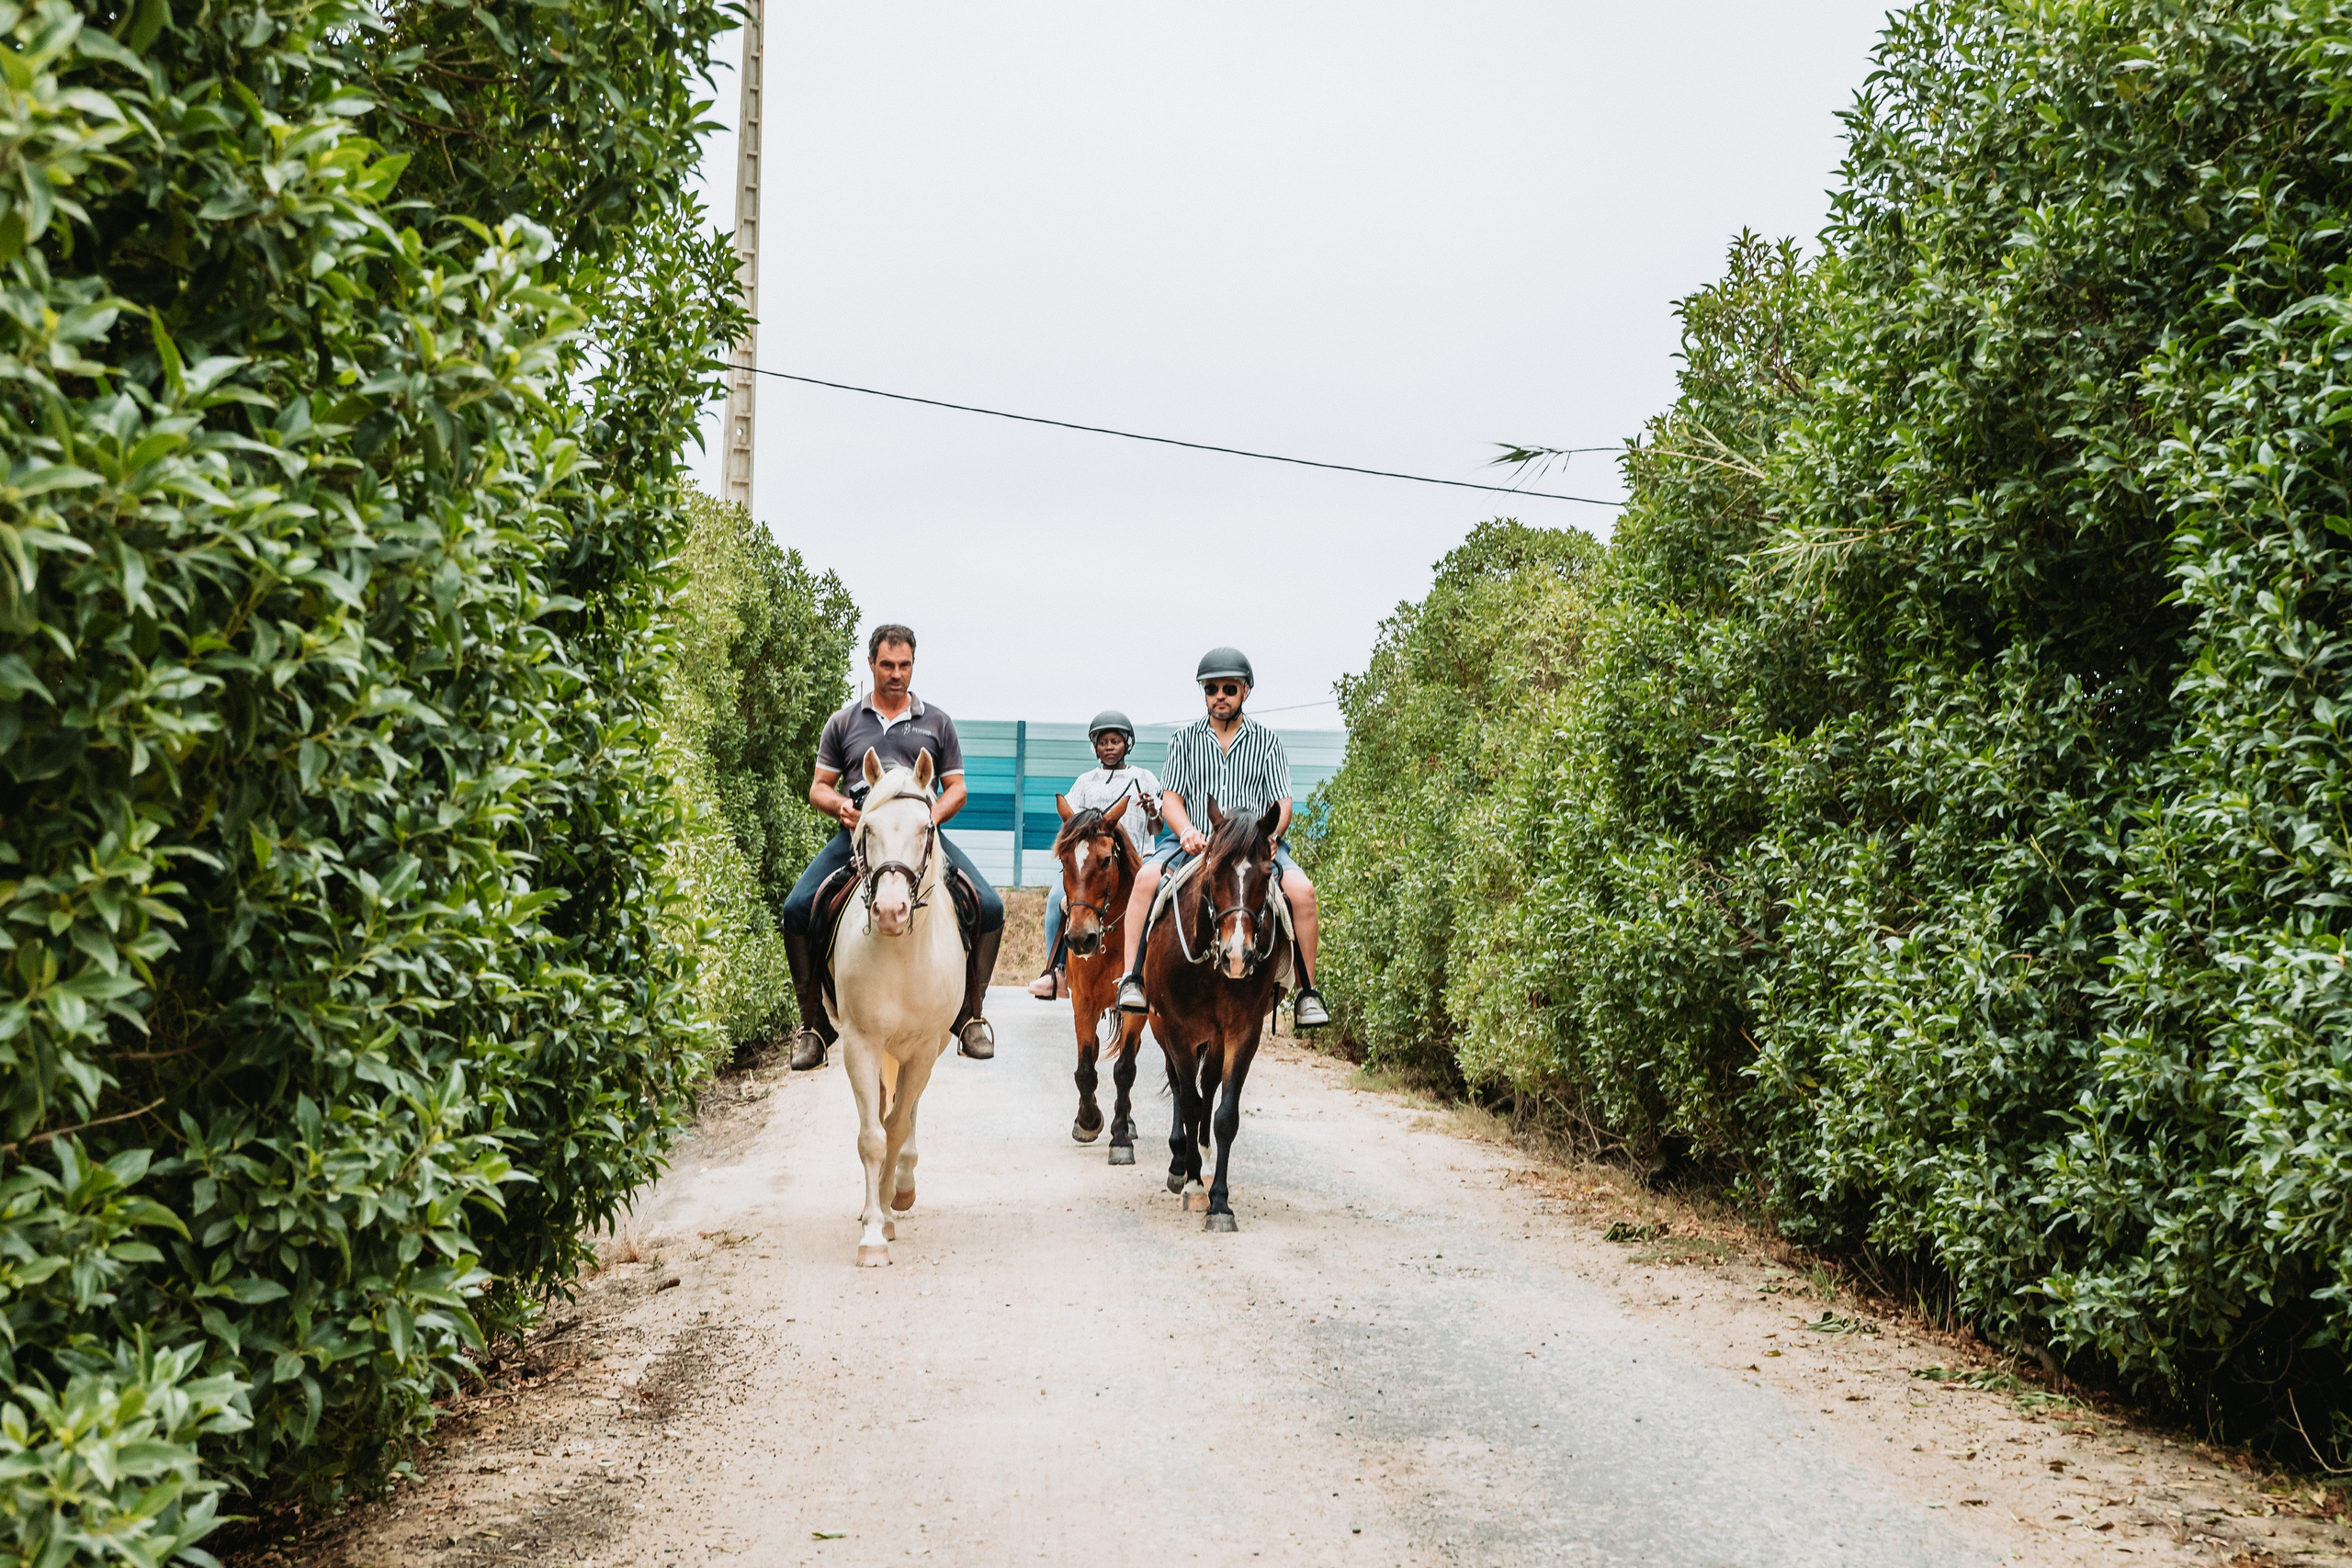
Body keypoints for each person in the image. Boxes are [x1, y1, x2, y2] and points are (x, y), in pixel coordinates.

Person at [781, 624, 1005, 1070]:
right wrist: (843, 806)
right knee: (796, 908)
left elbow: (957, 788)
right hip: (860, 835)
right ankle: (814, 1027)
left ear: (912, 665)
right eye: (887, 665)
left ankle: (968, 1016)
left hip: (920, 837)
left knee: (991, 906)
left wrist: (930, 819)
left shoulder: (937, 722)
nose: (896, 674)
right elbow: (818, 788)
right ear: (871, 664)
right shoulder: (843, 722)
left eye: (904, 665)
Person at [1114, 647, 1329, 1028]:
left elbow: (1283, 801)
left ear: (1245, 690)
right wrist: (1187, 832)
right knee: (1146, 880)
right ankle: (1134, 979)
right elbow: (1171, 800)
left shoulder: (1268, 742)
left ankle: (1307, 994)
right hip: (1194, 842)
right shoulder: (1183, 740)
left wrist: (1274, 834)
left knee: (1303, 893)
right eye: (1211, 689)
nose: (1220, 696)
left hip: (1253, 847)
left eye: (1229, 688)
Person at [1029, 709, 1162, 999]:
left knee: (1163, 898)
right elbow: (1072, 825)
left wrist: (1153, 809)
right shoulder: (1084, 781)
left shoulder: (1144, 778)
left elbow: (1158, 826)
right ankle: (1057, 972)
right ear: (1095, 747)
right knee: (1056, 899)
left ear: (1127, 743)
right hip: (1093, 864)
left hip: (1139, 858)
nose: (1109, 747)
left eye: (1115, 741)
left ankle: (1159, 969)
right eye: (1103, 742)